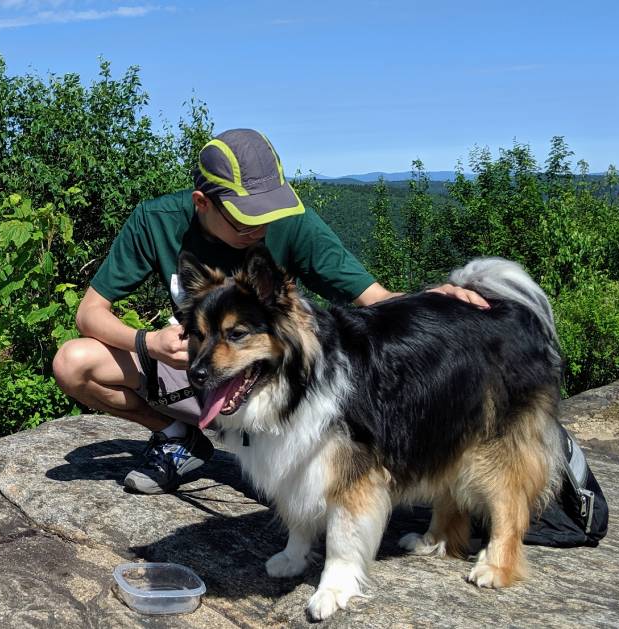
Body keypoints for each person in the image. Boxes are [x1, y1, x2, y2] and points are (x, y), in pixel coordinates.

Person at [52, 128, 487, 494]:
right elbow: (90, 313)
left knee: (301, 508)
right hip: (192, 368)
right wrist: (149, 343)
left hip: (265, 388)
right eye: (244, 219)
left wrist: (434, 299)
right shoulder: (156, 221)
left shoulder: (290, 223)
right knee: (73, 363)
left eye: (266, 214)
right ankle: (176, 436)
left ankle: (265, 448)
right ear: (202, 203)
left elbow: (375, 299)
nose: (259, 228)